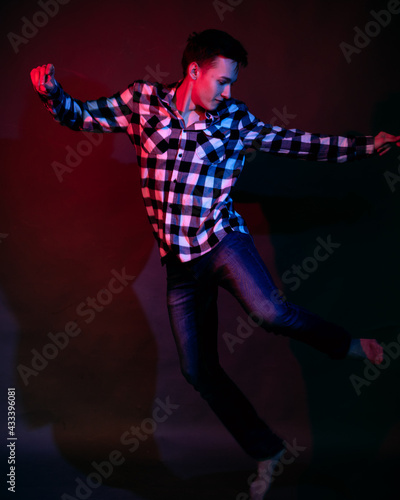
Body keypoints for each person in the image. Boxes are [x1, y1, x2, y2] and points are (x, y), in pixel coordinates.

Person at [31, 29, 399, 499]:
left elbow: (297, 142)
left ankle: (349, 344)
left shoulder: (234, 121)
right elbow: (82, 118)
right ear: (194, 71)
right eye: (223, 81)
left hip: (223, 243)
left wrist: (367, 146)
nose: (229, 92)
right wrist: (53, 93)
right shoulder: (142, 102)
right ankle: (267, 449)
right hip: (181, 267)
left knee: (270, 313)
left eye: (232, 84)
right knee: (197, 370)